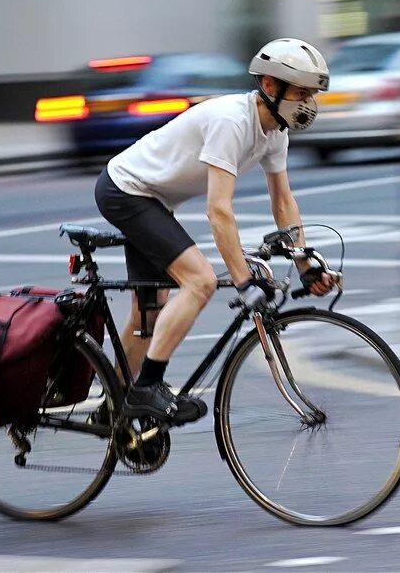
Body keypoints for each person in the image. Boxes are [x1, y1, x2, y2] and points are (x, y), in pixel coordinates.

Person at [93, 38, 335, 424]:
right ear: (270, 86)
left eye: (312, 95)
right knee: (200, 282)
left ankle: (112, 408)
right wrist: (243, 281)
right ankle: (147, 387)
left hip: (154, 201)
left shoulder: (275, 132)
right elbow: (218, 210)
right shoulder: (232, 121)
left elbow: (283, 203)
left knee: (147, 314)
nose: (308, 104)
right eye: (301, 92)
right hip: (126, 190)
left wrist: (305, 262)